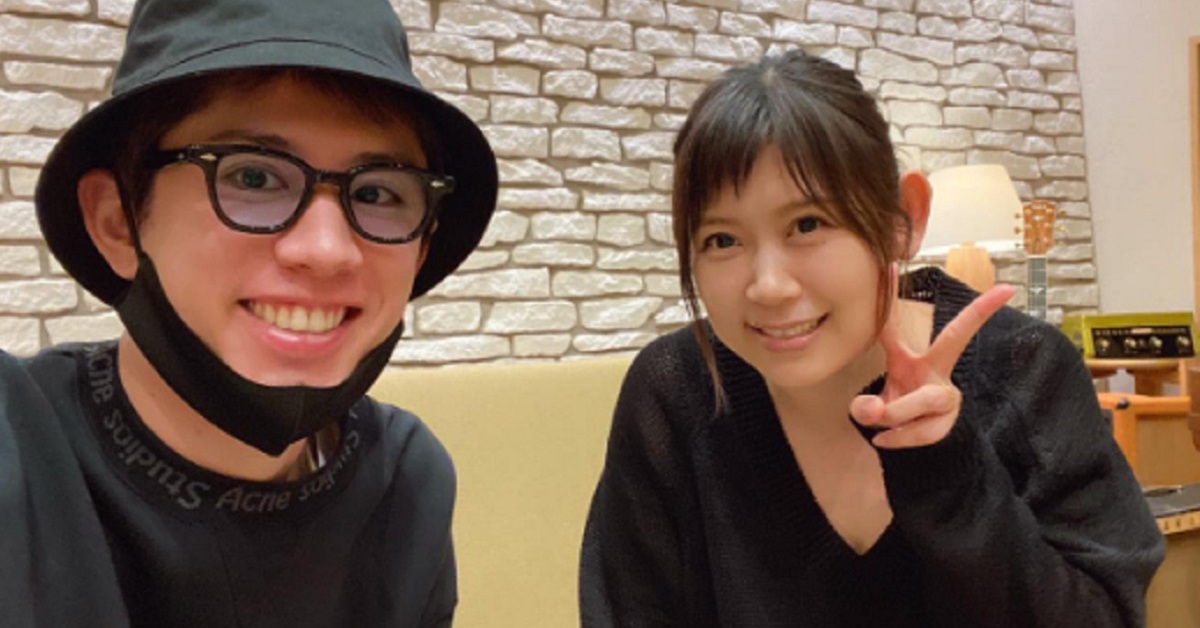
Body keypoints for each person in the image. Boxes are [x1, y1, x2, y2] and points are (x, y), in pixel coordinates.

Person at [580, 50, 1164, 627]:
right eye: (722, 240)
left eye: (807, 224)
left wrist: (947, 471)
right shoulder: (676, 395)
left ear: (901, 220)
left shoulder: (1023, 370)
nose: (768, 286)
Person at [0, 0, 497, 625]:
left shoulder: (406, 482)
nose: (327, 250)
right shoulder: (19, 454)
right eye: (254, 178)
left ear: (422, 246)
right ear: (118, 219)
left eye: (377, 192)